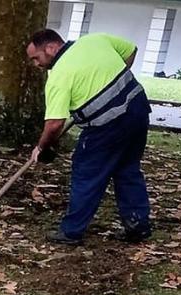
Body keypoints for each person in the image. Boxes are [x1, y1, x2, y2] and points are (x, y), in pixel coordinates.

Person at [26, 29, 152, 245]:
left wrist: (42, 147)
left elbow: (55, 123)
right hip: (138, 111)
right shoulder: (95, 40)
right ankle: (138, 225)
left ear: (51, 48)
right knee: (127, 169)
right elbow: (131, 50)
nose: (37, 65)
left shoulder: (59, 75)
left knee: (87, 173)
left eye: (36, 58)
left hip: (106, 127)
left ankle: (71, 232)